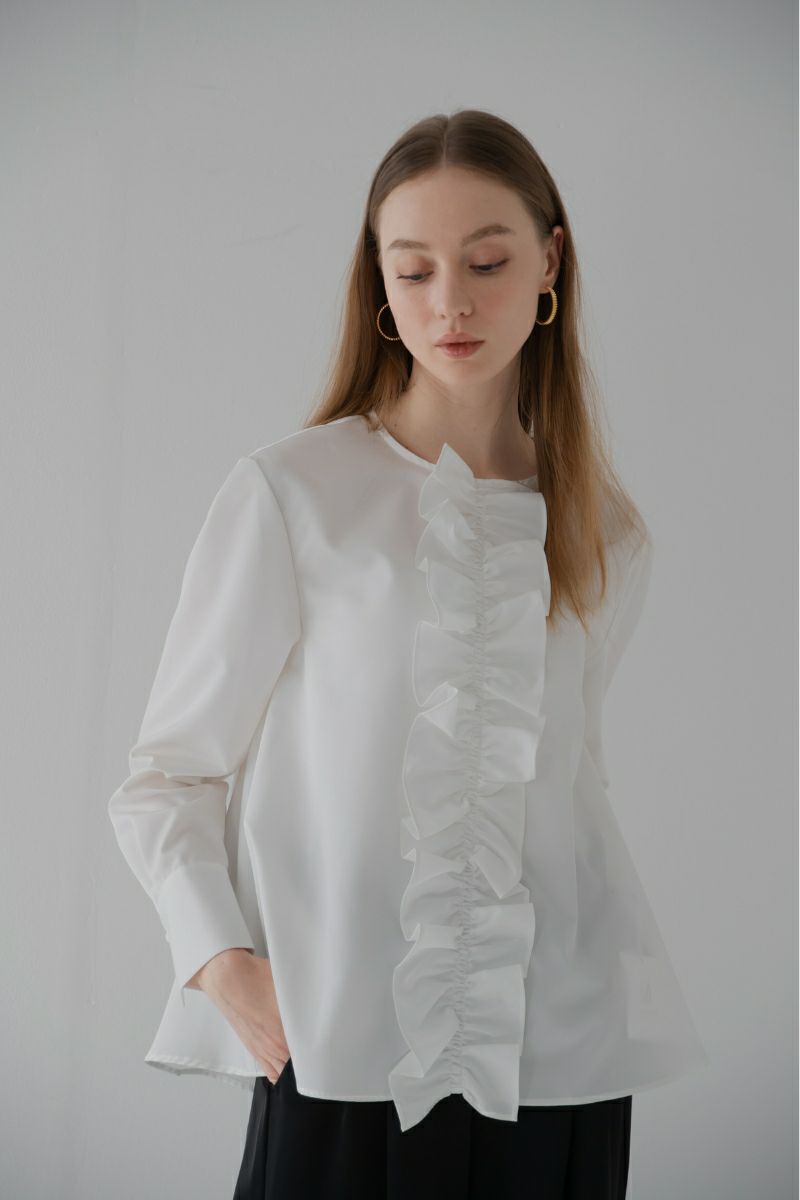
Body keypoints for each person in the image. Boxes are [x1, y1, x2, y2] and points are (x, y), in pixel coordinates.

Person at [108, 109, 708, 1200]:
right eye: (415, 268)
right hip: (338, 1044)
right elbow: (169, 775)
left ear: (549, 262)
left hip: (558, 1058)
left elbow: (568, 790)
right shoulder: (292, 495)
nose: (451, 303)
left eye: (487, 261)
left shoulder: (602, 531)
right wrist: (222, 964)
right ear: (378, 282)